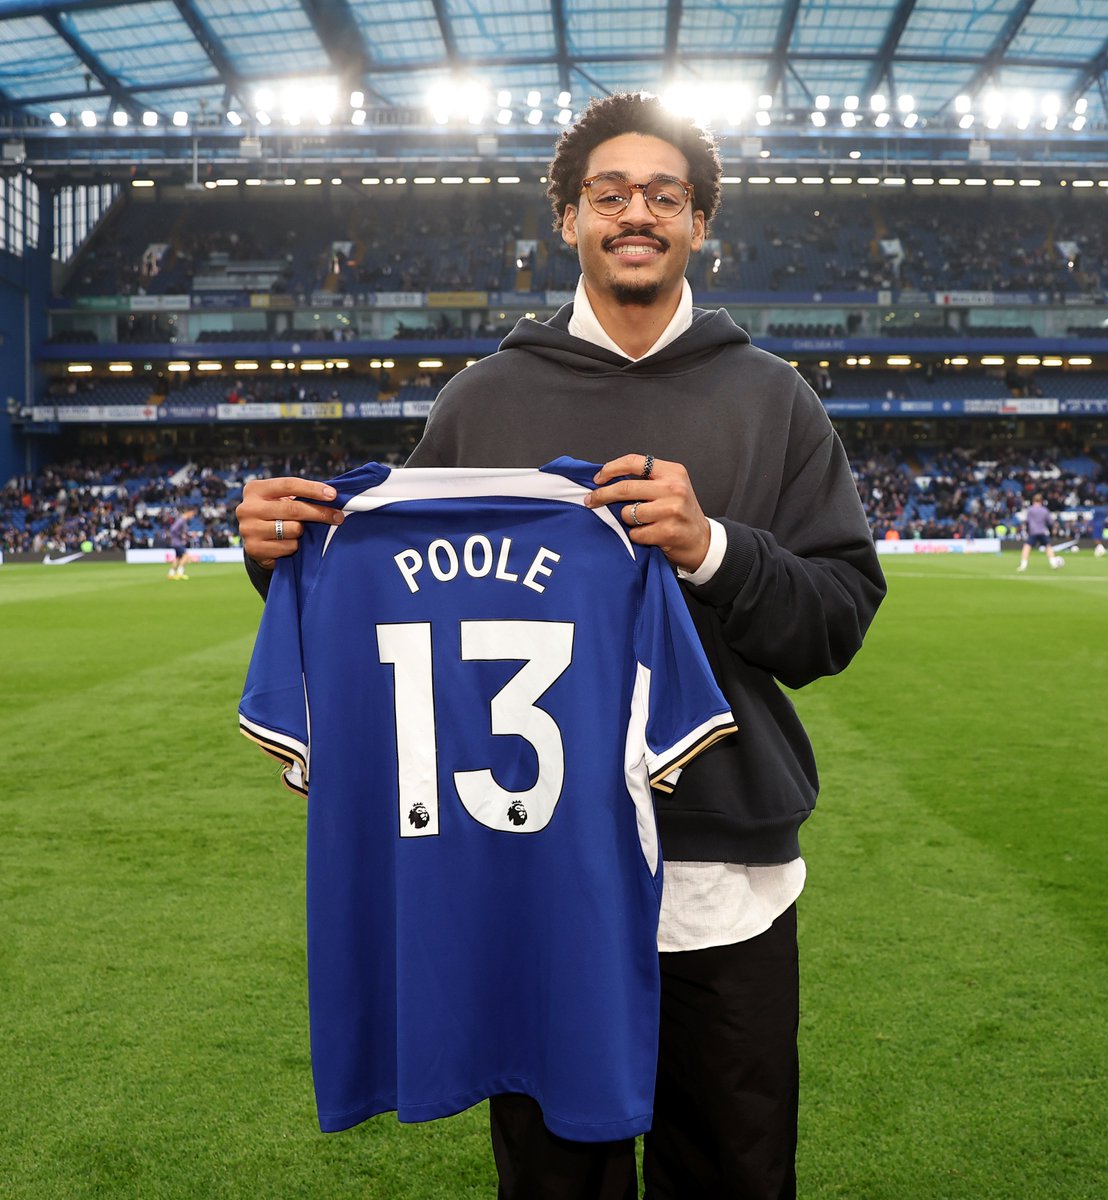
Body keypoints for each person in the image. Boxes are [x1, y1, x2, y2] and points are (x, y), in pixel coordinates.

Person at [236, 92, 886, 1200]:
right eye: (611, 193)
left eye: (665, 196)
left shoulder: (777, 400)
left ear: (699, 223)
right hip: (528, 862)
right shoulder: (483, 400)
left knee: (733, 1169)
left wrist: (715, 548)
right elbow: (405, 595)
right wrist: (283, 555)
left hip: (721, 868)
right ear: (569, 218)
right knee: (554, 1182)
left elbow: (836, 617)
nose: (638, 212)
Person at [1018, 493, 1059, 571]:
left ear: (1033, 500)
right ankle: (1053, 563)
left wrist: (1027, 529)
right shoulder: (1044, 510)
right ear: (1041, 501)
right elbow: (1050, 522)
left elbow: (1027, 521)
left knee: (1027, 547)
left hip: (1033, 531)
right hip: (1042, 531)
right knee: (1048, 546)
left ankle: (1023, 565)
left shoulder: (1030, 510)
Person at [167, 506, 195, 579]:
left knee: (178, 558)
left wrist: (188, 535)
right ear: (188, 512)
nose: (192, 516)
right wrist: (181, 535)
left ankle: (171, 574)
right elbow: (173, 529)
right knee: (186, 556)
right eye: (192, 514)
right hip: (177, 542)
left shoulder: (183, 521)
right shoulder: (181, 520)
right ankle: (180, 573)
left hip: (175, 542)